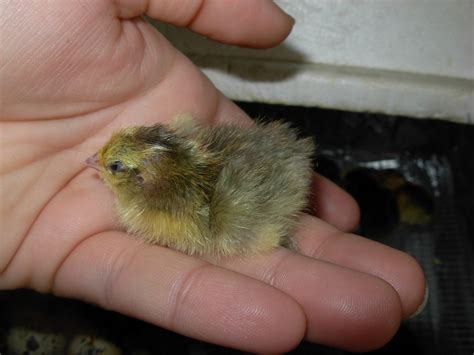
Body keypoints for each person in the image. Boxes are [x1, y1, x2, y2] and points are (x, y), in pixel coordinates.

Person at [0, 1, 426, 352]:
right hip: (264, 168)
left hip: (252, 192)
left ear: (142, 183)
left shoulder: (153, 209)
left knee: (235, 222)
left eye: (110, 166)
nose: (94, 161)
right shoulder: (177, 166)